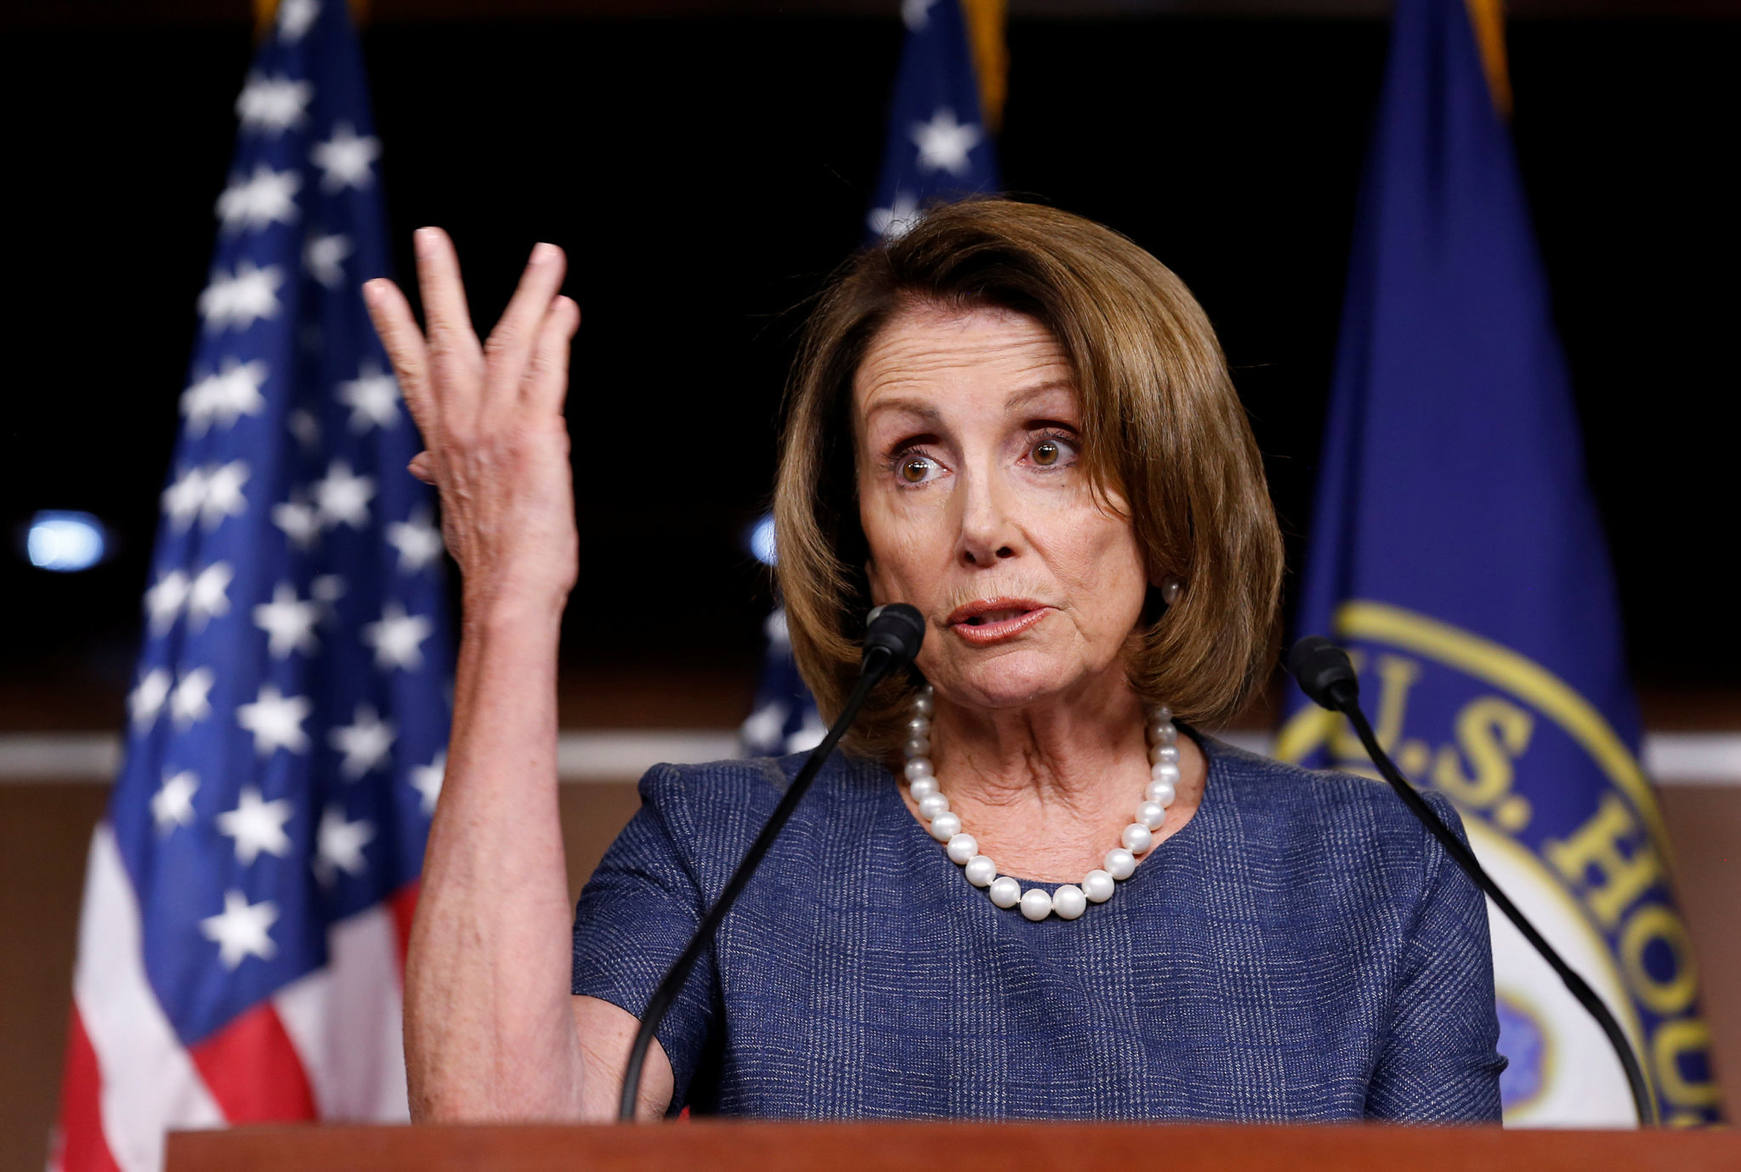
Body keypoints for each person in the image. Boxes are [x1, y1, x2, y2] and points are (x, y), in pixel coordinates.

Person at [363, 199, 1506, 1124]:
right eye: (913, 461)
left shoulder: (1380, 870)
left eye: (1048, 447)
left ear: (1167, 501)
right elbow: (497, 1142)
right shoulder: (721, 846)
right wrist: (511, 591)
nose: (979, 524)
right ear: (861, 540)